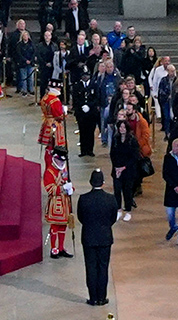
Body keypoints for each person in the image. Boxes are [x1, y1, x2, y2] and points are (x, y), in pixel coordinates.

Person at [76, 169, 118, 305]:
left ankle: (93, 297)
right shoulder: (111, 199)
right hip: (105, 237)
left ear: (90, 182)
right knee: (103, 267)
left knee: (91, 267)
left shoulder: (83, 199)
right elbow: (113, 218)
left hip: (88, 237)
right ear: (103, 183)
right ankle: (102, 297)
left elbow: (81, 217)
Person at [43, 146, 75, 259]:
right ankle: (53, 248)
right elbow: (49, 188)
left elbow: (67, 181)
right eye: (59, 160)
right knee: (54, 226)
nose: (61, 162)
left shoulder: (64, 169)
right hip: (55, 203)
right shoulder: (49, 172)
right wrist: (62, 188)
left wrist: (71, 188)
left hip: (65, 202)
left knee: (63, 226)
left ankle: (61, 248)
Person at [109, 120, 140, 220]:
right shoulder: (115, 139)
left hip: (128, 170)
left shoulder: (132, 140)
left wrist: (123, 167)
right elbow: (112, 154)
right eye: (120, 127)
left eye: (123, 127)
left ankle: (128, 210)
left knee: (127, 191)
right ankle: (118, 209)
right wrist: (116, 167)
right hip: (117, 169)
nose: (122, 129)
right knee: (117, 190)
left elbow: (134, 157)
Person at [38, 79, 66, 153]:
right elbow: (59, 116)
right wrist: (64, 113)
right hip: (54, 124)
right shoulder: (55, 100)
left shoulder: (45, 97)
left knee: (49, 145)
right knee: (54, 144)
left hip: (47, 122)